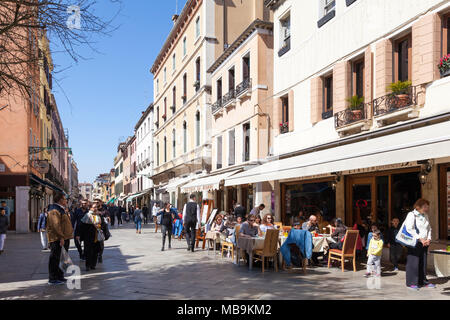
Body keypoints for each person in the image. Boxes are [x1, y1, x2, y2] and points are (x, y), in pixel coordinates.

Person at [405, 199, 435, 290]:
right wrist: (419, 238)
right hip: (415, 242)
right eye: (425, 206)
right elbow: (409, 228)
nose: (427, 208)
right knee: (413, 262)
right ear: (418, 206)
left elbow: (429, 228)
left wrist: (429, 238)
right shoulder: (411, 215)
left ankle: (423, 281)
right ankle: (412, 283)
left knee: (423, 262)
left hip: (425, 242)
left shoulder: (425, 215)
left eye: (427, 206)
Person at [46, 192, 73, 285]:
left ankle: (60, 276)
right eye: (65, 199)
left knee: (62, 258)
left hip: (64, 237)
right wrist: (61, 237)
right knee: (55, 258)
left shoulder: (61, 209)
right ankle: (52, 278)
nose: (66, 201)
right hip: (57, 238)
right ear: (61, 200)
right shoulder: (54, 210)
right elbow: (56, 225)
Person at [80, 204, 105, 271]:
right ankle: (87, 265)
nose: (95, 208)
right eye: (94, 207)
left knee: (95, 251)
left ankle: (93, 265)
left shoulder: (98, 216)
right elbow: (82, 226)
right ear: (90, 208)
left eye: (96, 207)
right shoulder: (87, 215)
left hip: (96, 236)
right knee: (88, 251)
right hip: (88, 236)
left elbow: (102, 224)